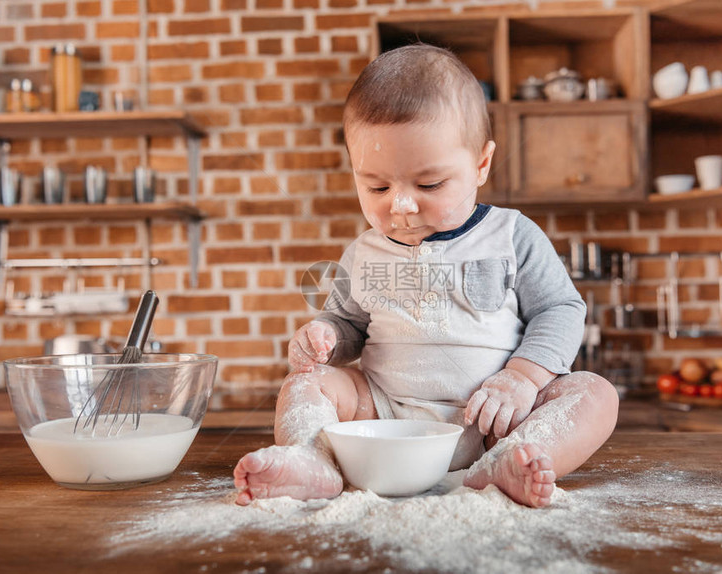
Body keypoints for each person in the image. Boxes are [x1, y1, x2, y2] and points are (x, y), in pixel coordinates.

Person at [233, 44, 619, 508]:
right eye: (377, 186)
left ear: (481, 164)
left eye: (429, 185)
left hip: (495, 419)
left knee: (594, 394)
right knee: (305, 383)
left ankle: (506, 463)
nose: (401, 204)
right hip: (383, 413)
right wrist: (325, 337)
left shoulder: (511, 235)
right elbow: (349, 326)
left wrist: (520, 378)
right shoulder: (362, 253)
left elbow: (561, 308)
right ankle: (313, 460)